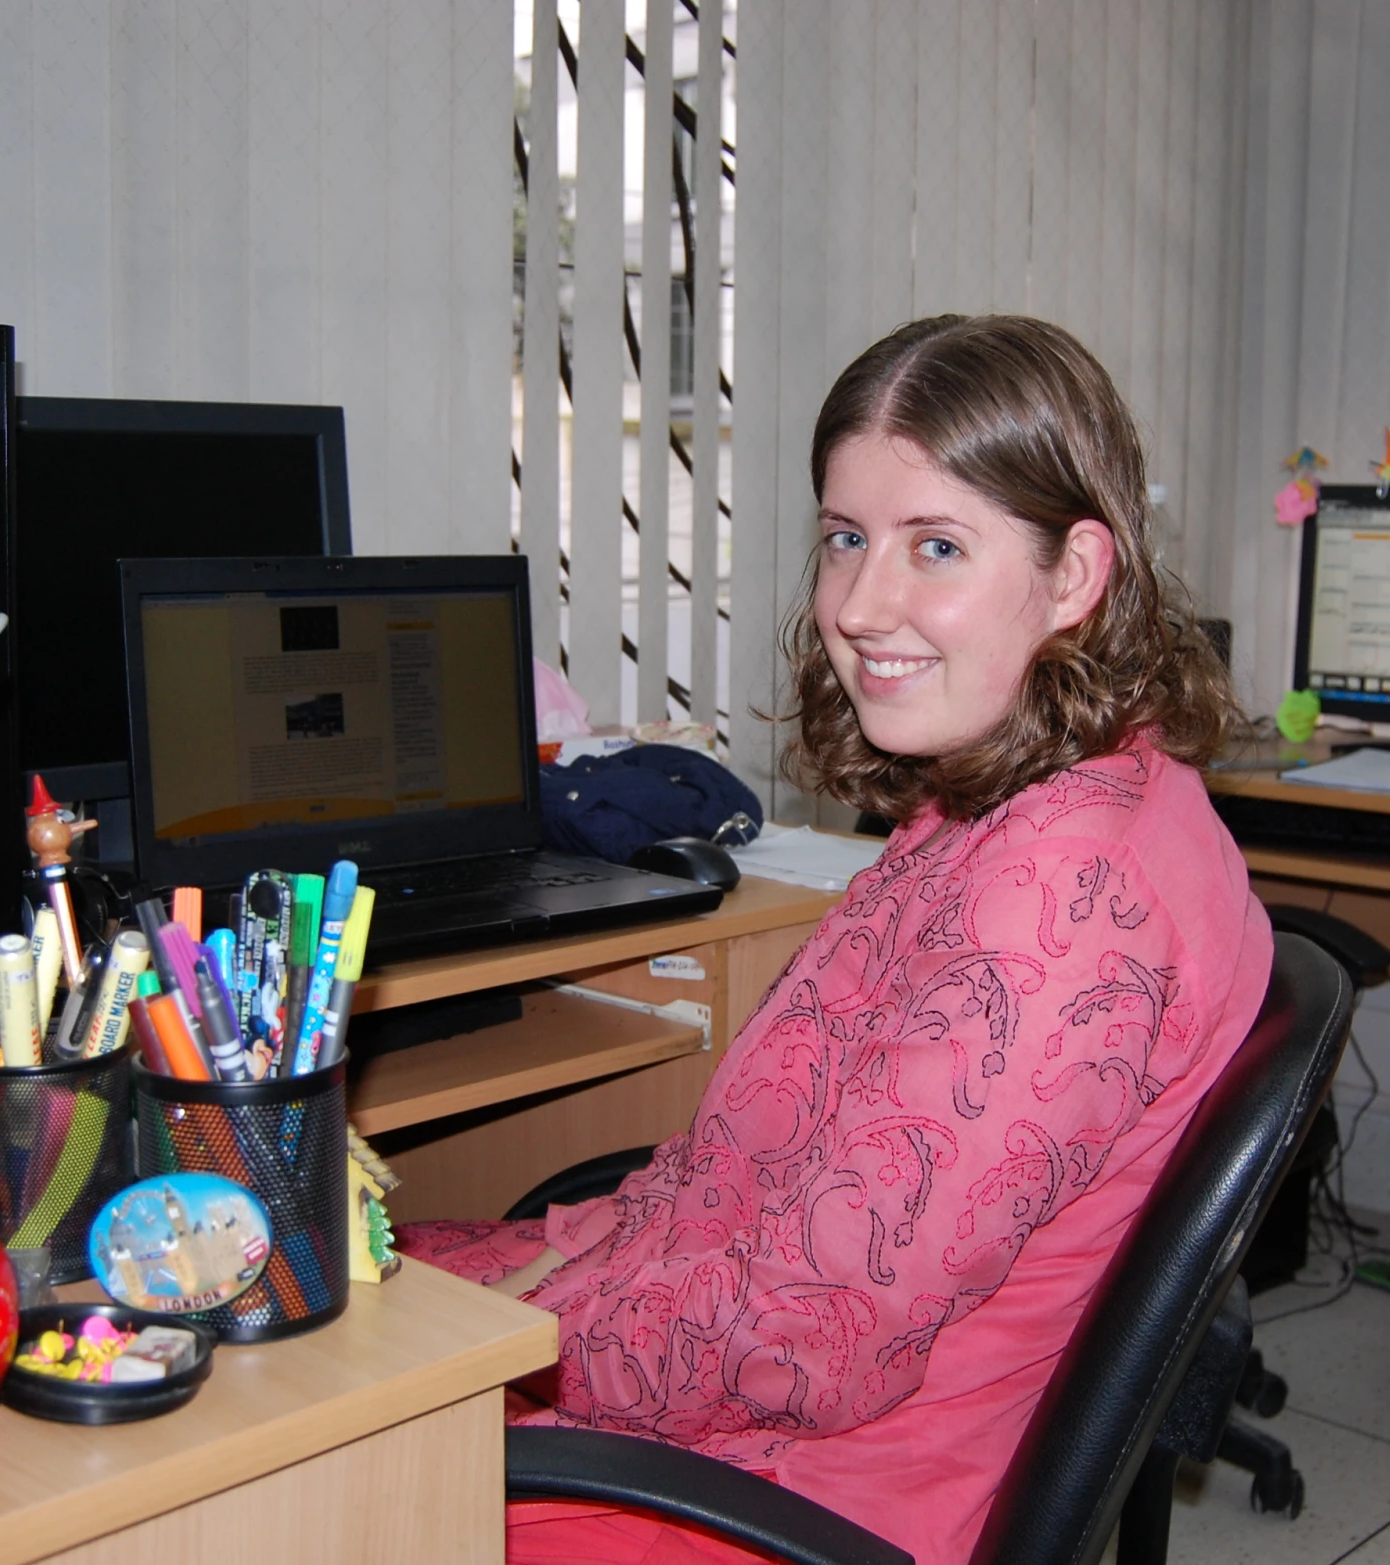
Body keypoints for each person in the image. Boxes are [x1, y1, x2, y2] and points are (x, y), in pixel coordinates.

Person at [397, 314, 1271, 1565]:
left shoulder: (1066, 896)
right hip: (744, 1408)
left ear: (1074, 574)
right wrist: (501, 1271)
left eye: (935, 546)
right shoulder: (1035, 793)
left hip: (794, 1491)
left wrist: (482, 1346)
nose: (862, 604)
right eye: (845, 539)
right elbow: (769, 1190)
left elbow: (808, 1341)